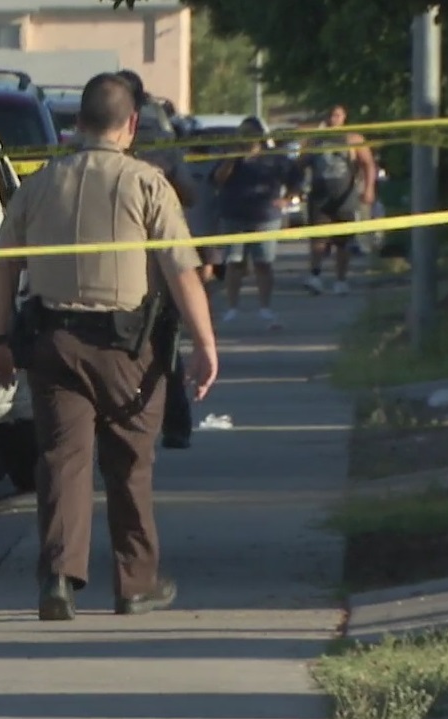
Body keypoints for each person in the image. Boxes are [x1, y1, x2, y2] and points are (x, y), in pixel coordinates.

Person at [0, 72, 219, 621]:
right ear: (132, 125)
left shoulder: (39, 184)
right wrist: (206, 345)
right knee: (131, 464)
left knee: (62, 462)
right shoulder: (147, 184)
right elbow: (181, 271)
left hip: (54, 344)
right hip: (128, 352)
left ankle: (59, 580)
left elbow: (3, 268)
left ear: (78, 124)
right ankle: (135, 584)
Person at [113, 69, 202, 449]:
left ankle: (169, 423)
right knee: (164, 341)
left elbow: (187, 191)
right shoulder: (162, 135)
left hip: (133, 251)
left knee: (160, 337)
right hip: (151, 251)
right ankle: (173, 425)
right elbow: (191, 192)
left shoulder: (116, 134)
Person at [212, 115, 304, 330]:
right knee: (234, 263)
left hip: (265, 216)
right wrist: (233, 158)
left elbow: (297, 180)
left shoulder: (275, 158)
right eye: (243, 134)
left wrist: (287, 199)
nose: (247, 139)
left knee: (263, 263)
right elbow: (217, 179)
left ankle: (265, 308)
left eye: (250, 134)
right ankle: (232, 308)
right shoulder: (230, 156)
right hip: (233, 214)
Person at [301, 104, 378, 296]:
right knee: (318, 239)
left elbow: (368, 165)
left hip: (345, 195)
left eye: (337, 115)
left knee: (343, 242)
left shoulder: (353, 139)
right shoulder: (315, 140)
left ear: (344, 117)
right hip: (320, 195)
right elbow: (300, 164)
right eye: (330, 115)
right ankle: (315, 275)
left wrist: (368, 189)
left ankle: (341, 280)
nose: (333, 118)